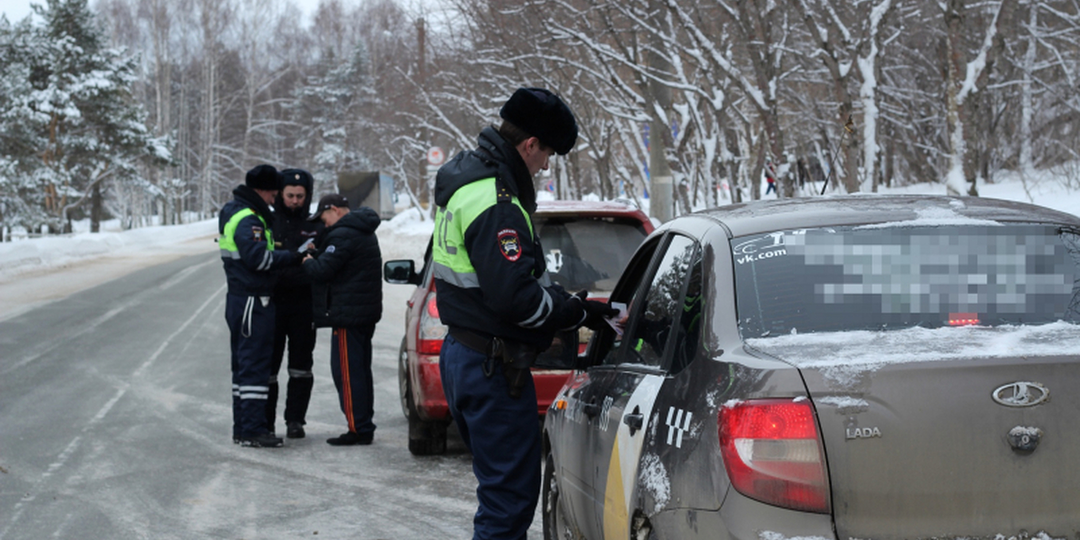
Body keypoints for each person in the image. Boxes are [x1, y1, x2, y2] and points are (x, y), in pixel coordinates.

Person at [431, 87, 615, 539]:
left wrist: (575, 307)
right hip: (492, 367)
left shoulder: (468, 182)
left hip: (466, 354)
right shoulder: (497, 202)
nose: (547, 164)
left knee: (499, 494)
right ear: (530, 144)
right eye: (548, 152)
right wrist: (574, 313)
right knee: (509, 501)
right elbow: (516, 299)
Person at [218, 164, 297, 448]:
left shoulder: (233, 211)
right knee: (254, 366)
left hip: (241, 299)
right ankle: (252, 429)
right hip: (253, 299)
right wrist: (292, 257)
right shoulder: (248, 220)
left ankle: (243, 428)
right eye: (274, 193)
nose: (275, 199)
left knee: (242, 368)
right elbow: (259, 260)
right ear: (262, 190)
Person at [302, 193, 383, 446]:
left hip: (349, 315)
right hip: (362, 313)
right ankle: (363, 424)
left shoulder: (344, 234)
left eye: (324, 217)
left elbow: (323, 270)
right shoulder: (363, 229)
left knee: (347, 374)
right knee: (360, 370)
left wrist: (307, 260)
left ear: (335, 210)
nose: (323, 223)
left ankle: (358, 428)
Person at [267, 168, 323, 439]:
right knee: (269, 366)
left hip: (304, 304)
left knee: (301, 366)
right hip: (273, 303)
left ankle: (295, 420)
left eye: (300, 196)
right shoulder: (268, 222)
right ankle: (267, 421)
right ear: (281, 194)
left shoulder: (315, 225)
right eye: (290, 195)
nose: (295, 200)